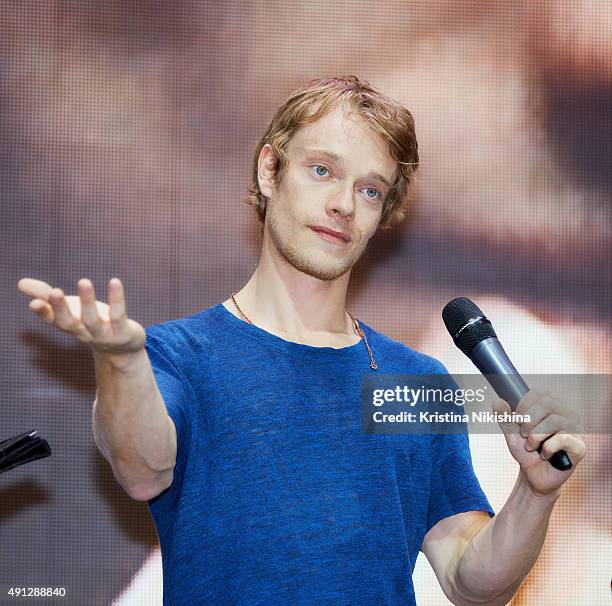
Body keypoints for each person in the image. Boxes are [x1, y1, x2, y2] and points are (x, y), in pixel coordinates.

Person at [18, 76, 585, 606]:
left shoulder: (415, 383)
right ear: (270, 170)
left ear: (382, 214)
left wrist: (535, 494)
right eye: (322, 171)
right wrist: (119, 360)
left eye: (369, 190)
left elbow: (468, 581)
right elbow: (142, 470)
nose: (343, 203)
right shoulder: (179, 355)